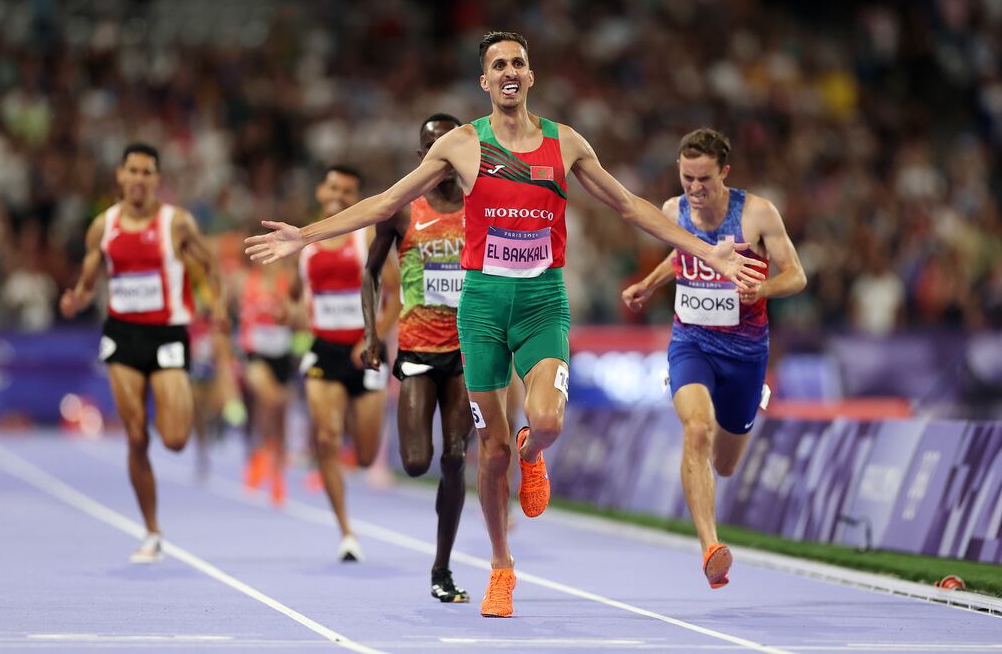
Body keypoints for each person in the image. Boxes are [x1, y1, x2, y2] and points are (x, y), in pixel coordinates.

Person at [246, 32, 765, 617]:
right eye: (498, 64)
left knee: (544, 419)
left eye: (518, 61)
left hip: (544, 300)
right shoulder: (462, 145)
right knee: (490, 451)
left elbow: (630, 206)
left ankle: (535, 452)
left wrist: (708, 248)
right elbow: (385, 203)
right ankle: (500, 567)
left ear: (531, 75)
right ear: (485, 82)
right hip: (484, 305)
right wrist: (306, 234)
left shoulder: (564, 142)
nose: (510, 70)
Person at [621, 128, 806, 589]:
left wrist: (762, 287)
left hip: (745, 354)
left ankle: (750, 400)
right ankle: (710, 546)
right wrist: (651, 284)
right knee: (697, 429)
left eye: (704, 179)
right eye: (687, 178)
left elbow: (797, 276)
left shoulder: (757, 214)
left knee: (725, 464)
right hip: (692, 343)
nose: (695, 189)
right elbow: (681, 255)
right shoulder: (673, 210)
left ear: (723, 172)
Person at [60, 142, 227, 563]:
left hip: (168, 335)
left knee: (173, 439)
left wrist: (218, 305)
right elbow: (88, 278)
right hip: (122, 335)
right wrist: (76, 299)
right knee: (135, 436)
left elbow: (209, 265)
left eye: (146, 172)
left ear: (157, 179)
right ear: (120, 175)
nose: (138, 179)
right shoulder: (104, 226)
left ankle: (182, 415)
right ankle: (152, 530)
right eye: (131, 171)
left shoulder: (177, 222)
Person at [360, 113, 472, 603]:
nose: (442, 159)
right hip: (418, 350)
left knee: (455, 456)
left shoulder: (484, 205)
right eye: (432, 149)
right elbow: (369, 274)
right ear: (422, 156)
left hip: (471, 350)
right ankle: (440, 562)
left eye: (449, 147)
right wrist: (370, 335)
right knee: (415, 461)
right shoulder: (402, 209)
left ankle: (442, 567)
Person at [291, 165, 401, 561]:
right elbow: (294, 294)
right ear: (322, 190)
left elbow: (396, 295)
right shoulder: (304, 241)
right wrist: (287, 313)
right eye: (333, 186)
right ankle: (346, 531)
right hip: (324, 351)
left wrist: (372, 337)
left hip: (366, 353)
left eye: (348, 190)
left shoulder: (366, 236)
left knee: (368, 454)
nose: (338, 194)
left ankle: (356, 437)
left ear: (356, 196)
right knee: (326, 437)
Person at [238, 258, 295, 506]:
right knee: (267, 398)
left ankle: (277, 474)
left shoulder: (289, 281)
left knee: (280, 412)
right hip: (256, 353)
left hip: (283, 354)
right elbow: (220, 299)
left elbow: (302, 312)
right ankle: (261, 453)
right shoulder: (245, 281)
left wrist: (288, 314)